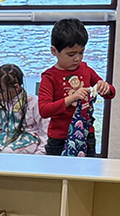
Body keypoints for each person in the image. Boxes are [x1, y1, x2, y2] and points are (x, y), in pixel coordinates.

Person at [38, 18, 115, 157]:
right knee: (57, 174)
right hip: (59, 138)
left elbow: (110, 93)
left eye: (81, 52)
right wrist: (71, 98)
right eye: (71, 54)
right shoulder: (49, 77)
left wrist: (105, 87)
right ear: (54, 51)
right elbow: (44, 110)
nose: (77, 59)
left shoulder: (85, 70)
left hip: (86, 135)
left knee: (86, 174)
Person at [0, 64, 48, 155]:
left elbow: (44, 128)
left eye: (1, 91)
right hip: (4, 136)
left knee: (8, 152)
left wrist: (41, 152)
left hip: (29, 138)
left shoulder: (33, 103)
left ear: (16, 87)